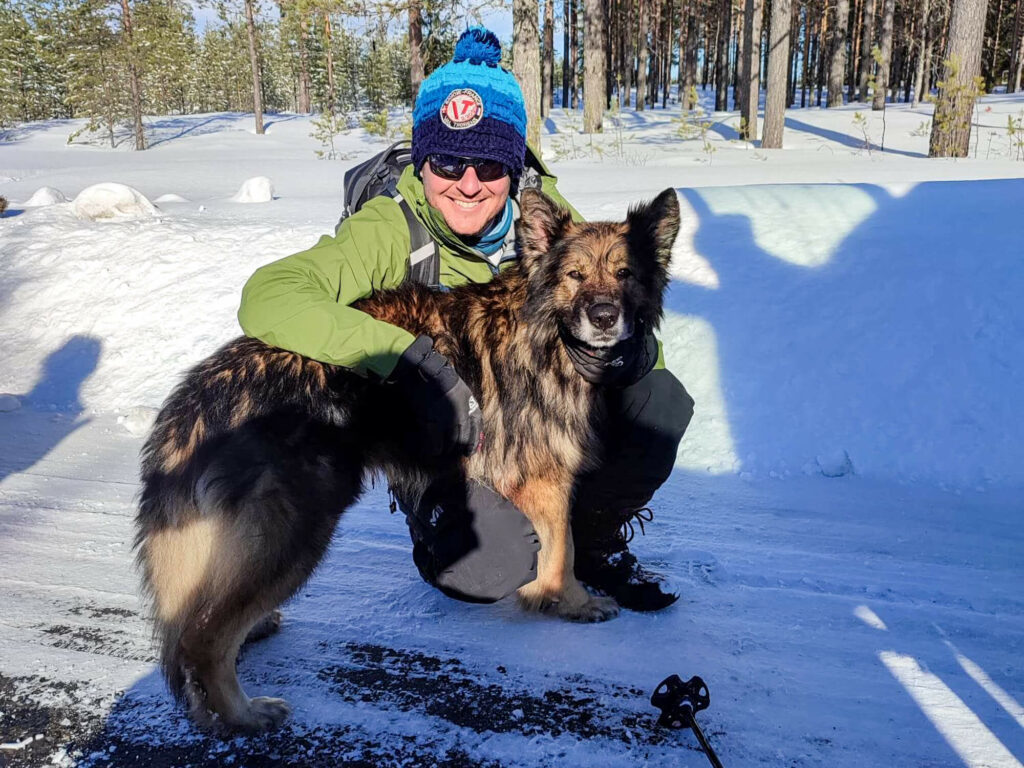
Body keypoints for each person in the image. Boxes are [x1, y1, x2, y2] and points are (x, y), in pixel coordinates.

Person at [238, 27, 694, 612]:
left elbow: (624, 294)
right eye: (449, 162)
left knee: (657, 401)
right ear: (424, 163)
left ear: (514, 169)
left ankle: (586, 546)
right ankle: (472, 527)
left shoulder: (552, 229)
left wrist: (634, 355)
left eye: (488, 163)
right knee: (487, 561)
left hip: (525, 424)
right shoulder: (387, 228)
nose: (469, 183)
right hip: (432, 439)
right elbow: (269, 296)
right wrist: (408, 359)